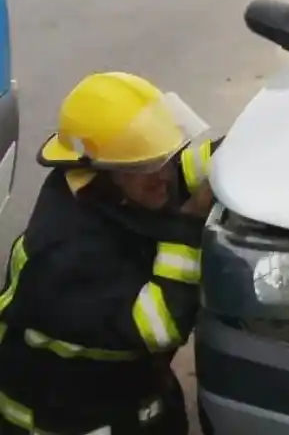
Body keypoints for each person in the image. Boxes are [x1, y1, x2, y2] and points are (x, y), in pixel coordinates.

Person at [0, 72, 224, 434]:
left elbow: (175, 172)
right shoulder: (66, 252)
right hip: (69, 419)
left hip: (127, 394)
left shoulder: (105, 185)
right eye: (147, 168)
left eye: (163, 159)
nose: (163, 176)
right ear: (101, 173)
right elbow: (161, 325)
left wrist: (236, 151)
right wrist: (187, 226)